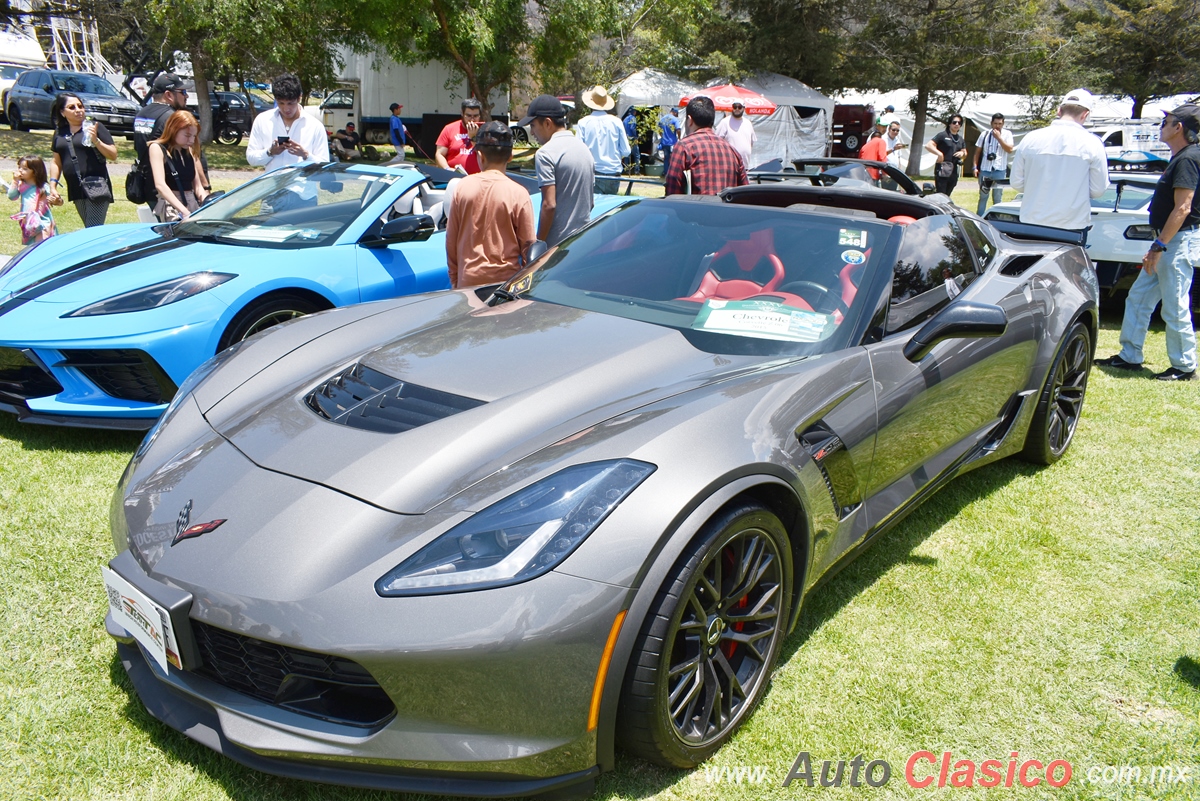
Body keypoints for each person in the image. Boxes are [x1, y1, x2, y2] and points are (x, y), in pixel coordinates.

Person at [1096, 104, 1200, 381]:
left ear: (1179, 127)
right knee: (1139, 297)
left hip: (1175, 244)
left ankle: (1184, 367)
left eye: (1166, 121)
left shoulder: (1188, 159)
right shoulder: (1181, 157)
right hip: (1167, 243)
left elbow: (1183, 208)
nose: (1161, 126)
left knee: (1175, 305)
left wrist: (1159, 246)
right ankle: (1129, 357)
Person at [445, 122, 535, 289]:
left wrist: (455, 281)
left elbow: (451, 242)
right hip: (504, 285)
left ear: (480, 155)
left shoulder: (462, 188)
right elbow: (529, 246)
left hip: (468, 283)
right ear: (510, 157)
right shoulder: (519, 193)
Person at [1009, 89, 1108, 240]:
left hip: (1032, 222)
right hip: (1071, 226)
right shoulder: (1093, 143)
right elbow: (1097, 190)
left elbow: (1016, 182)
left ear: (1059, 110)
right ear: (1085, 115)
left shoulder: (1031, 138)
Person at [522, 94, 594, 247]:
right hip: (583, 241)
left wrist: (538, 244)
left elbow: (549, 205)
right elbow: (590, 202)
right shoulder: (583, 149)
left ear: (547, 123)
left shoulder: (546, 153)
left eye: (533, 126)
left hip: (557, 245)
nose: (532, 132)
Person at [47, 93, 116, 227]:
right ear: (62, 112)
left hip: (96, 186)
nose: (78, 110)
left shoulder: (94, 127)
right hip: (76, 187)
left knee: (93, 228)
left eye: (80, 106)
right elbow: (56, 161)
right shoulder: (60, 132)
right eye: (72, 107)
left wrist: (95, 140)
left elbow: (113, 154)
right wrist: (53, 186)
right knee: (89, 228)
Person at [664, 96, 748, 196]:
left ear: (690, 120)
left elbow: (672, 191)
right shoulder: (733, 151)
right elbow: (744, 192)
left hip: (696, 210)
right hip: (727, 210)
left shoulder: (684, 147)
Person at [246, 73, 330, 172]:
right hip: (274, 186)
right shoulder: (262, 120)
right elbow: (251, 158)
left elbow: (325, 166)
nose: (286, 109)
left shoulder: (315, 126)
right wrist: (270, 152)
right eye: (281, 103)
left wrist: (305, 155)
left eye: (290, 103)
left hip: (302, 186)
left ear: (299, 98)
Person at [133, 72, 190, 211]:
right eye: (182, 92)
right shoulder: (172, 117)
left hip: (147, 185)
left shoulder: (141, 113)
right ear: (169, 95)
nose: (186, 96)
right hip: (170, 189)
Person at [149, 110, 209, 222]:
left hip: (192, 202)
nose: (191, 140)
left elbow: (197, 186)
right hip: (171, 206)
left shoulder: (188, 150)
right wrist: (184, 211)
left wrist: (208, 202)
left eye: (194, 136)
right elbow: (160, 185)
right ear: (173, 130)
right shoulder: (157, 148)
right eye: (187, 135)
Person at [575, 85, 630, 194]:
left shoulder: (583, 123)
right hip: (613, 173)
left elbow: (578, 151)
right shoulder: (617, 122)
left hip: (593, 173)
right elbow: (626, 151)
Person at [7, 155, 56, 245]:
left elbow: (57, 201)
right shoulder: (20, 185)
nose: (20, 170)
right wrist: (15, 181)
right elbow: (12, 196)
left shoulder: (43, 187)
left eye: (25, 168)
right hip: (29, 222)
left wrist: (56, 200)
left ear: (35, 171)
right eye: (19, 167)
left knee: (41, 246)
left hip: (43, 222)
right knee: (31, 247)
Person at [974, 113, 1015, 215]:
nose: (997, 126)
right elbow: (977, 152)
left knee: (997, 197)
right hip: (985, 169)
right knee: (983, 196)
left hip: (999, 170)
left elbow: (1009, 149)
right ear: (991, 123)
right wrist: (975, 167)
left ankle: (996, 217)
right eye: (995, 123)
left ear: (1003, 124)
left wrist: (999, 138)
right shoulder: (984, 134)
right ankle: (980, 218)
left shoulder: (1007, 134)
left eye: (1000, 124)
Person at [435, 98, 482, 173]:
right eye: (469, 116)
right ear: (462, 114)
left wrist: (473, 137)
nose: (472, 120)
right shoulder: (449, 129)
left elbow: (486, 156)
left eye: (476, 116)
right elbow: (439, 154)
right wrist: (447, 169)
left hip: (477, 178)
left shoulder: (485, 130)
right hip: (454, 176)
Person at [925, 114, 967, 197]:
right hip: (943, 168)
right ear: (950, 124)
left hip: (954, 169)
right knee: (941, 194)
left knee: (948, 194)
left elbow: (965, 153)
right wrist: (939, 153)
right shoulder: (943, 135)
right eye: (954, 122)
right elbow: (928, 145)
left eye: (959, 123)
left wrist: (962, 153)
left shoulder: (960, 139)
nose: (957, 124)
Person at [714, 101, 758, 170]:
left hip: (745, 167)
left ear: (743, 108)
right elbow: (715, 142)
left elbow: (751, 143)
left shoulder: (748, 123)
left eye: (739, 107)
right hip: (729, 166)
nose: (737, 109)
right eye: (735, 107)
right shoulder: (725, 122)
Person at [859, 114, 890, 180]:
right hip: (873, 173)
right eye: (883, 126)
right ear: (877, 126)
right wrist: (885, 173)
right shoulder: (879, 140)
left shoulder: (872, 138)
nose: (885, 128)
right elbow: (882, 157)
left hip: (865, 173)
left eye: (886, 126)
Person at [659, 107, 680, 174]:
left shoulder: (663, 119)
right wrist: (679, 137)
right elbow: (678, 129)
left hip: (664, 142)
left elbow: (659, 129)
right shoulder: (674, 120)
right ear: (675, 112)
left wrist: (662, 136)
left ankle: (666, 172)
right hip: (672, 142)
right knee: (673, 158)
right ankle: (672, 173)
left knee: (666, 158)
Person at [622, 107, 639, 174]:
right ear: (634, 111)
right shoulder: (633, 118)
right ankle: (636, 170)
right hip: (632, 138)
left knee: (627, 154)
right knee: (637, 155)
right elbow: (632, 128)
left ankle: (627, 170)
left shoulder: (625, 119)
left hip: (626, 138)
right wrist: (636, 136)